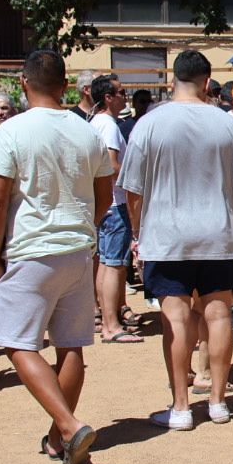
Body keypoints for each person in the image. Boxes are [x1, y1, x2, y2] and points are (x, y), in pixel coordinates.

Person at [0, 50, 109, 464]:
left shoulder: (12, 130)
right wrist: (85, 225)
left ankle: (68, 426)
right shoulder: (87, 130)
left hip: (32, 248)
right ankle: (59, 437)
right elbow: (105, 192)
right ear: (65, 84)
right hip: (77, 248)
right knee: (71, 345)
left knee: (17, 342)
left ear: (23, 83)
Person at [123, 50, 233, 429]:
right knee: (218, 315)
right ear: (208, 83)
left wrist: (137, 232)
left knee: (176, 319)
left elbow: (133, 189)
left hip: (167, 235)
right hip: (219, 232)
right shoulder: (228, 124)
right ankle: (218, 401)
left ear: (171, 80)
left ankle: (181, 406)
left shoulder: (149, 123)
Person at [86, 74, 140, 345]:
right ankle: (111, 324)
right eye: (121, 92)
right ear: (108, 97)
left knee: (107, 263)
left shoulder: (97, 122)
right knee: (114, 265)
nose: (125, 95)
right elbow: (111, 165)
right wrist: (134, 185)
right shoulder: (107, 125)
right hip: (115, 202)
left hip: (104, 202)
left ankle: (107, 319)